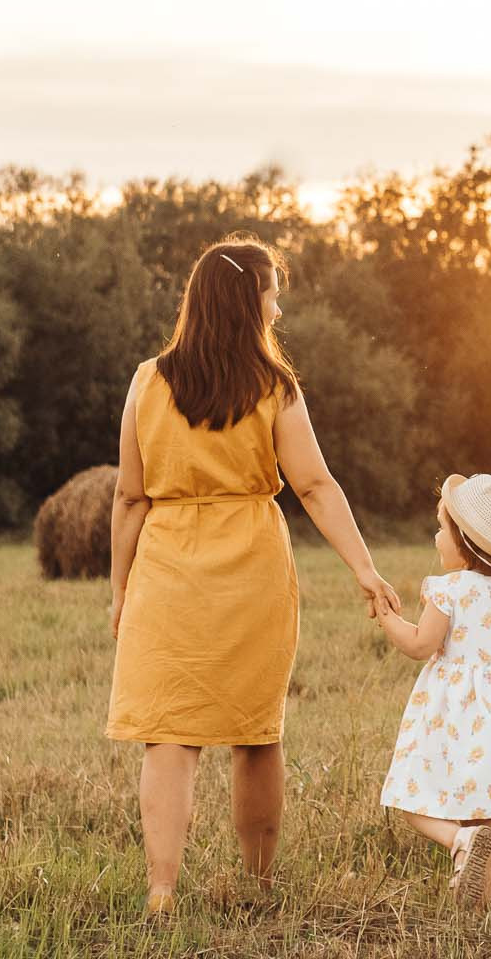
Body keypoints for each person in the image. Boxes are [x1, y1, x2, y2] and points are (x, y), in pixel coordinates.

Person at [105, 235, 404, 915]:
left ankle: (162, 889)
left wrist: (121, 590)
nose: (277, 307)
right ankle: (259, 884)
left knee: (169, 734)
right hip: (251, 567)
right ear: (250, 300)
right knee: (255, 733)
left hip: (168, 565)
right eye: (272, 293)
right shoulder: (275, 387)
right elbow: (315, 486)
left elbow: (129, 496)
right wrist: (364, 567)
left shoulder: (148, 380)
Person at [374, 471, 491, 911]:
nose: (436, 537)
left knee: (412, 798)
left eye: (440, 528)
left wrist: (386, 617)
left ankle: (457, 840)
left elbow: (419, 644)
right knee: (483, 816)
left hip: (450, 715)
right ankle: (478, 901)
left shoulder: (450, 589)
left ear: (463, 541)